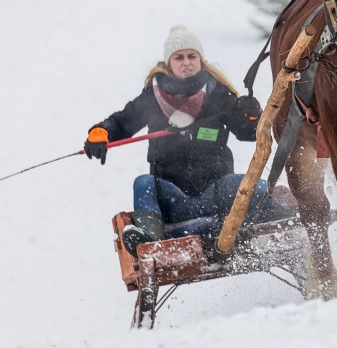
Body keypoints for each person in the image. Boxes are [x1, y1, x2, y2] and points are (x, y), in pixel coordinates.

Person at [83, 25, 266, 255]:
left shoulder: (218, 94)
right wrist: (101, 132)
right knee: (143, 183)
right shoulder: (152, 97)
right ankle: (151, 240)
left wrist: (253, 114)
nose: (187, 62)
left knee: (258, 186)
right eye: (179, 57)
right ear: (169, 63)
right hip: (173, 201)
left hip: (216, 194)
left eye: (192, 56)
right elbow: (122, 122)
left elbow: (251, 132)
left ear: (201, 60)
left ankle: (273, 218)